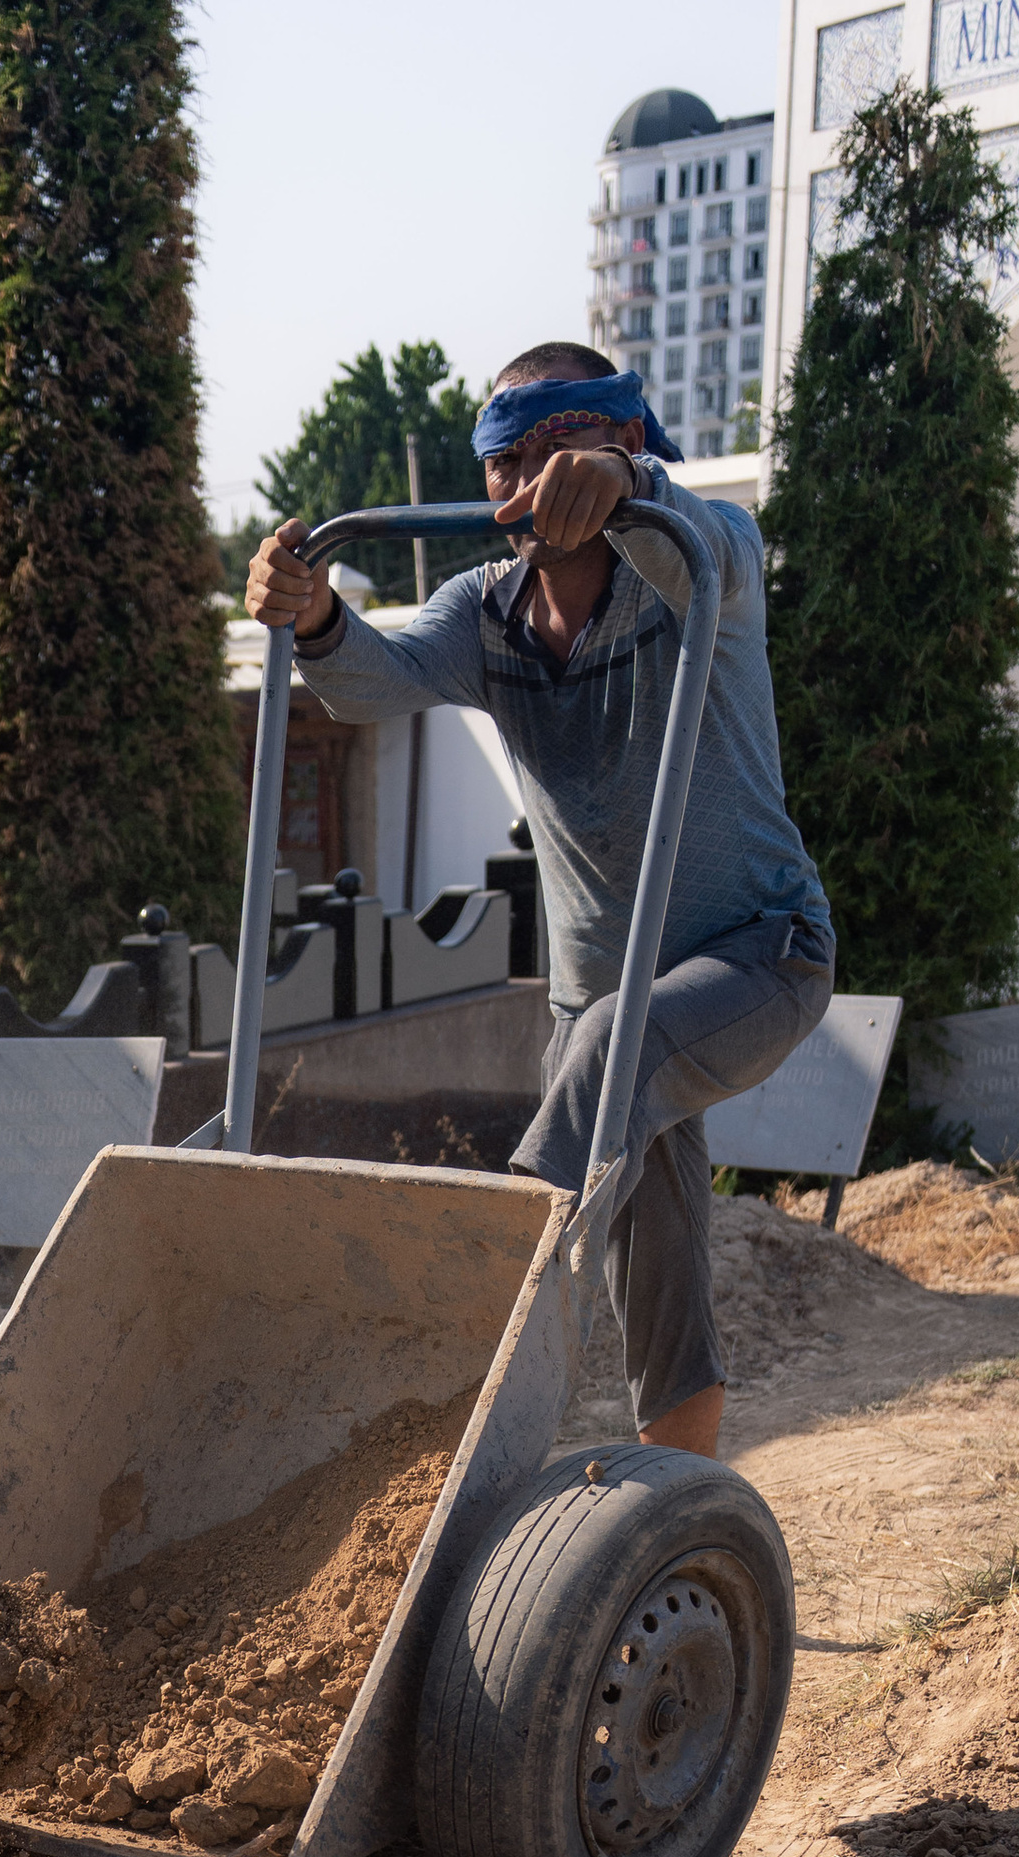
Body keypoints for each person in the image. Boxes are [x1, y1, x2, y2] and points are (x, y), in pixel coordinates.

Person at [247, 340, 834, 1459]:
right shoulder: (486, 611)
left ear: (620, 435)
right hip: (602, 1016)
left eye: (556, 449)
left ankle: (472, 1308)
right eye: (504, 462)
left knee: (620, 1048)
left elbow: (711, 540)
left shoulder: (701, 570)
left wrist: (633, 493)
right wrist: (313, 610)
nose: (525, 483)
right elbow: (376, 677)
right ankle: (685, 1506)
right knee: (656, 1283)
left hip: (764, 957)